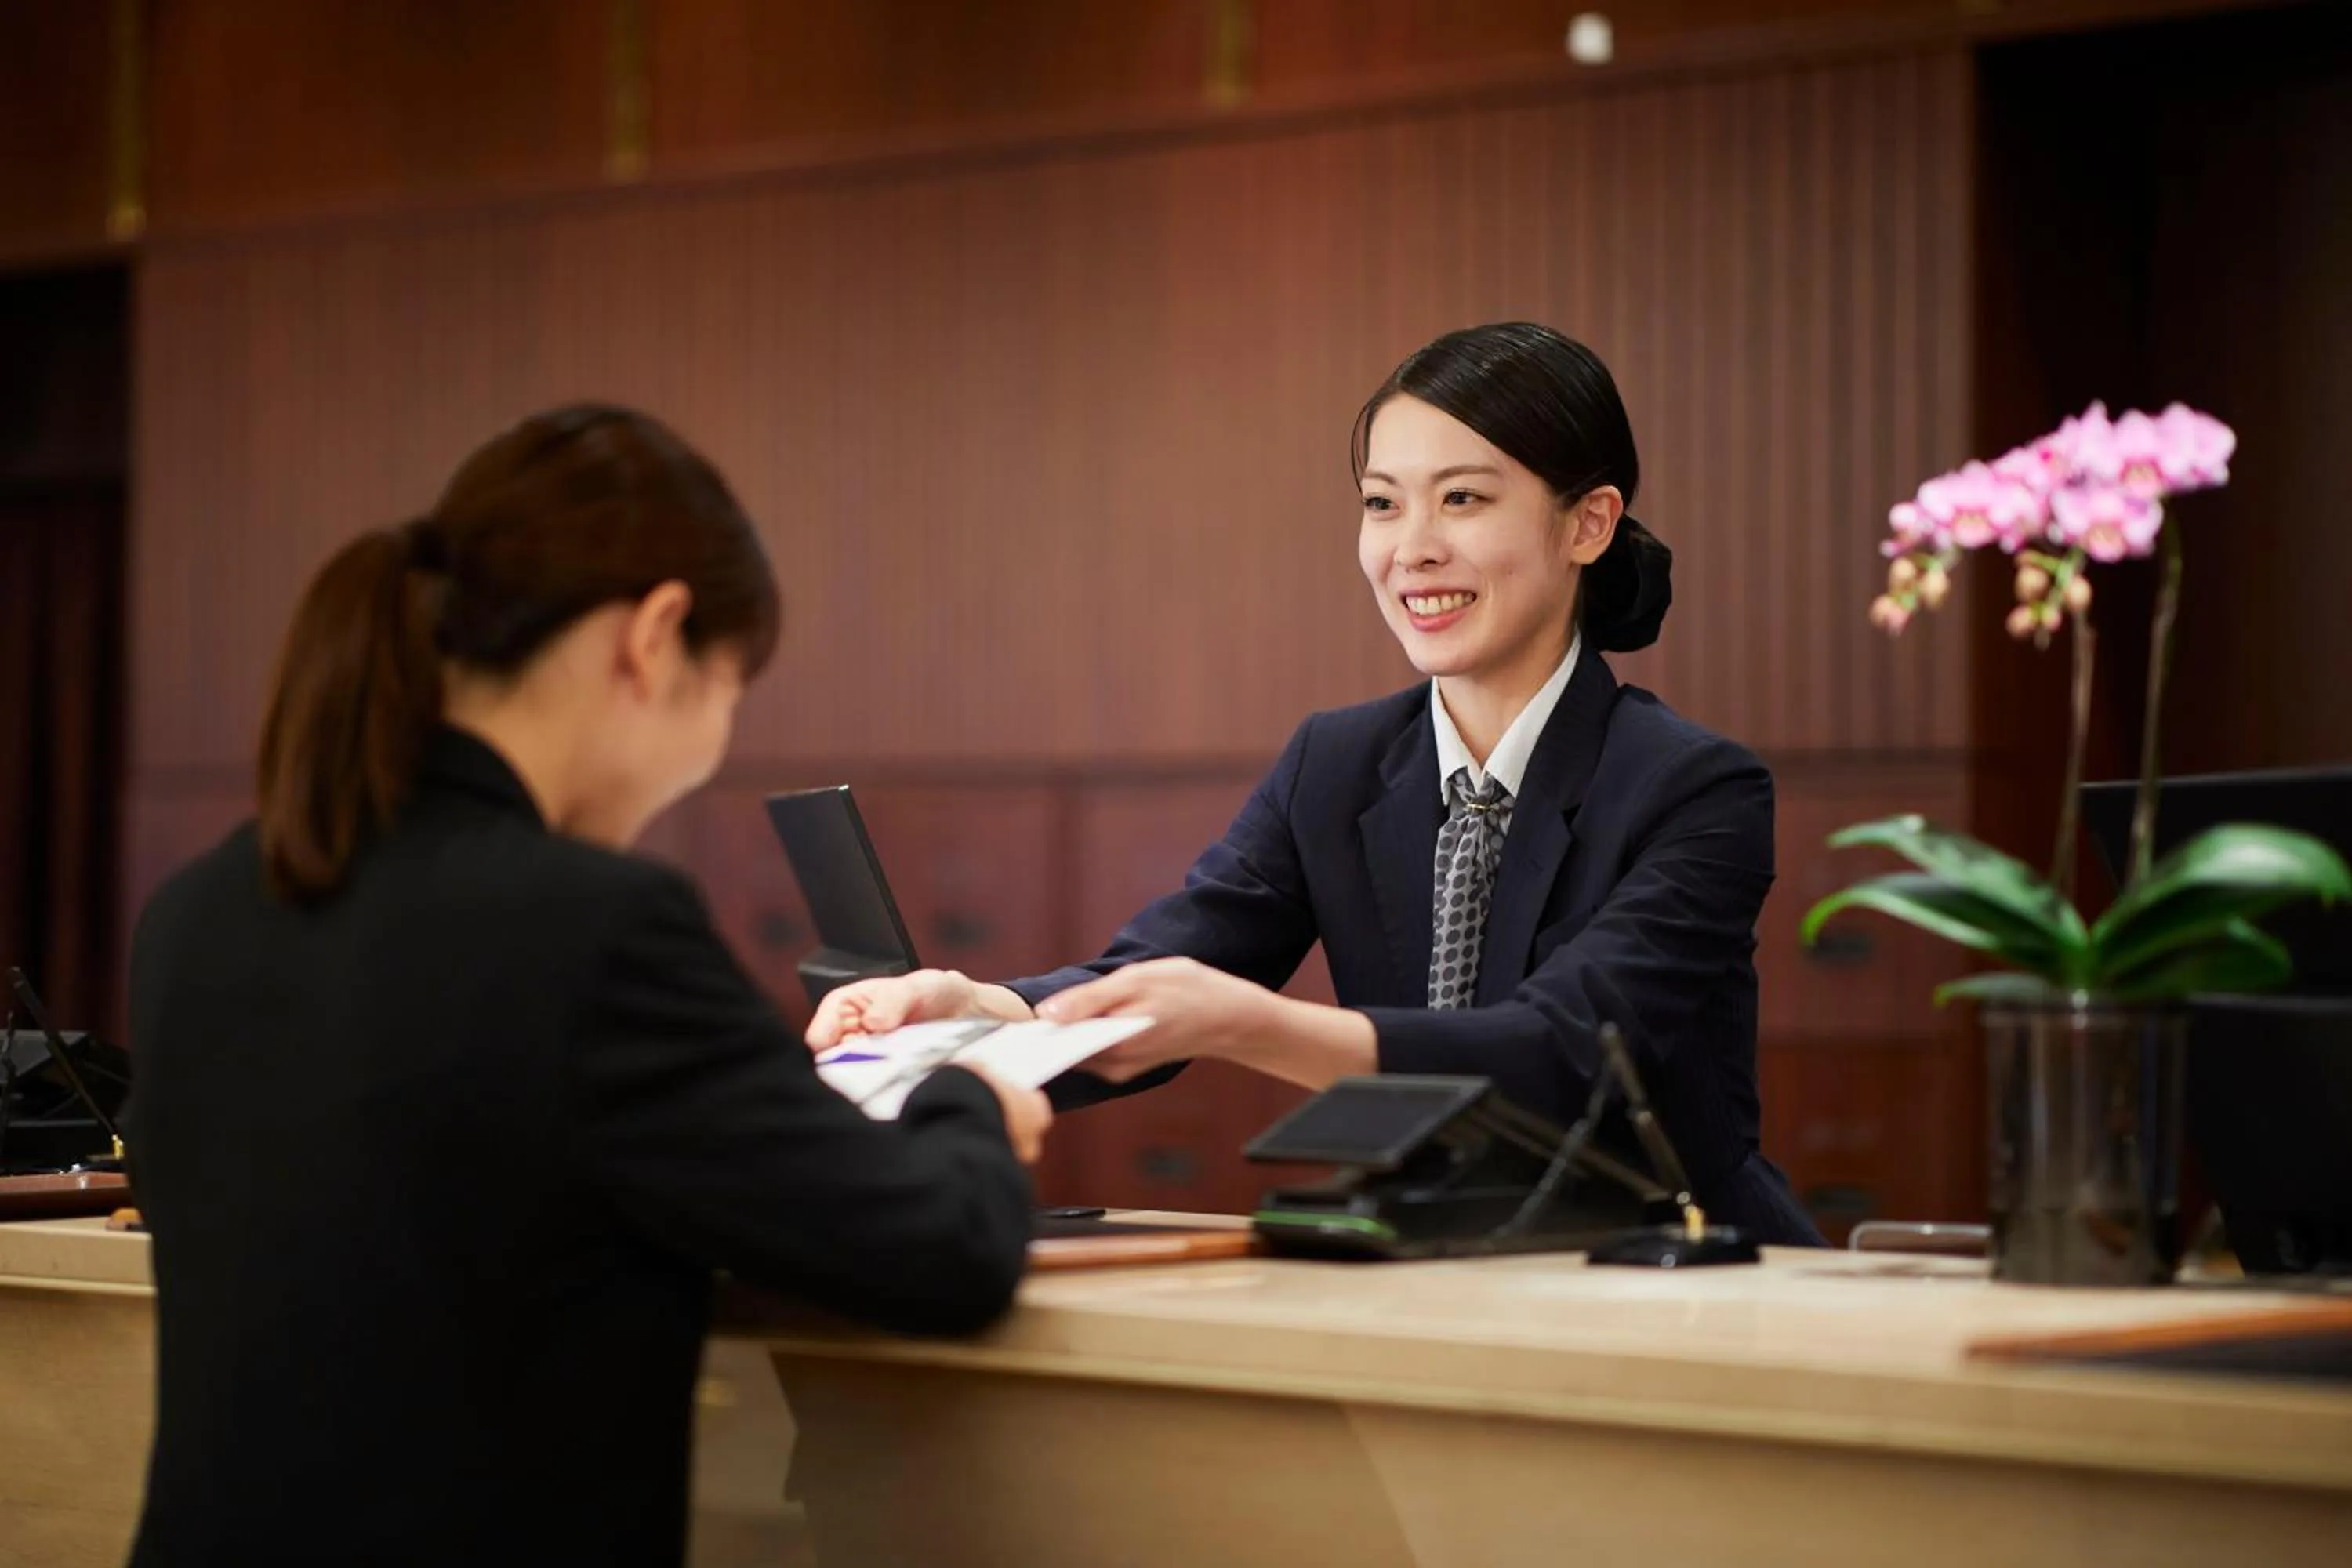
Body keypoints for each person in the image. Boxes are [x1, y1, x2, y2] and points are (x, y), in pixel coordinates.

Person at [122, 406, 1051, 1568]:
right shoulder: (592, 928)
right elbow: (940, 1254)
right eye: (730, 688)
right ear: (653, 639)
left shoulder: (196, 910)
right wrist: (971, 1101)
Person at [811, 323, 1820, 1246]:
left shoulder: (1696, 787)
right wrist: (981, 1010)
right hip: (1437, 1258)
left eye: (1463, 499)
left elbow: (1562, 1054)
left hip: (1680, 1269)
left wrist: (1249, 1025)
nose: (1412, 549)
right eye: (1382, 504)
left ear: (1588, 525)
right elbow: (1166, 964)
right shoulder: (1334, 764)